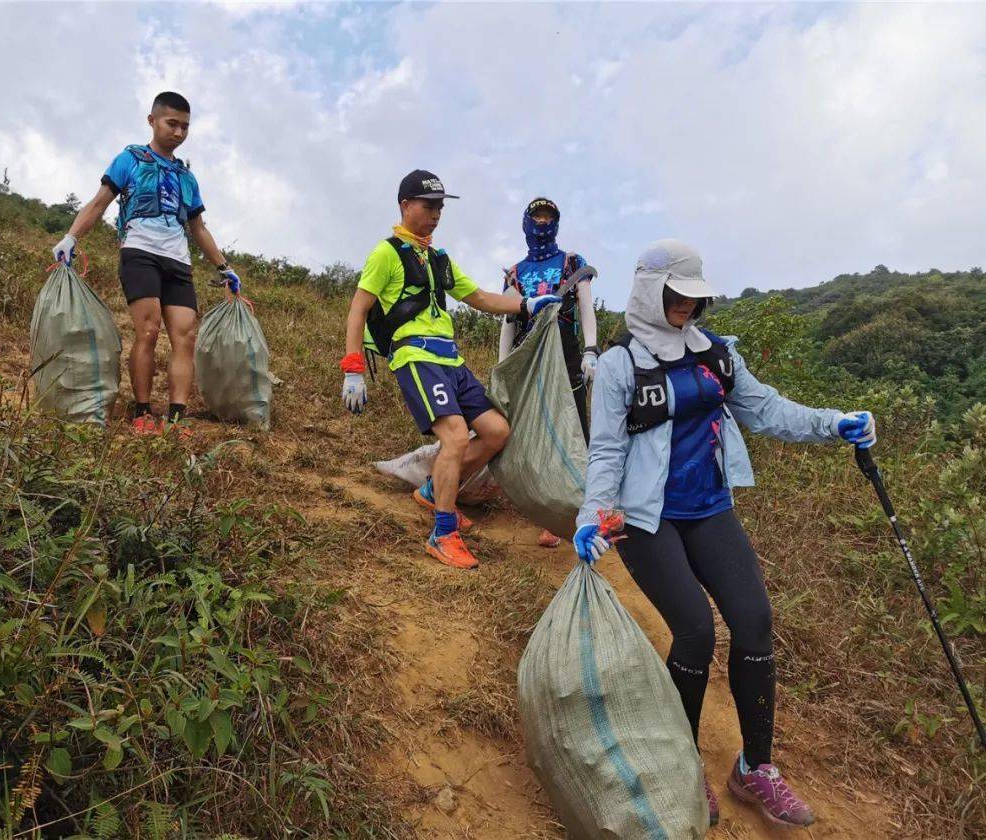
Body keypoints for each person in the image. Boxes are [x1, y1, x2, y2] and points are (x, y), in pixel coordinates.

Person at [573, 239, 877, 829]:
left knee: (755, 620)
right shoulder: (619, 365)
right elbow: (606, 450)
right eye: (677, 297)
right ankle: (683, 766)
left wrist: (833, 424)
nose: (687, 308)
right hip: (647, 518)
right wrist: (591, 516)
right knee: (693, 630)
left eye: (694, 298)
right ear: (649, 291)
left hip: (710, 506)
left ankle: (755, 768)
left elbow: (765, 408)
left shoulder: (716, 354)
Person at [341, 169, 560, 570]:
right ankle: (443, 532)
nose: (436, 214)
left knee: (496, 431)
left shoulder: (438, 258)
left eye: (440, 206)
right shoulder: (386, 253)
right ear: (405, 205)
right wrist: (353, 367)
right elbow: (359, 307)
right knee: (455, 436)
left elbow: (477, 297)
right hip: (415, 356)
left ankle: (432, 489)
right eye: (428, 205)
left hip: (451, 359)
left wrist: (528, 304)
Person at [52, 91, 240, 437]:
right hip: (139, 252)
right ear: (152, 120)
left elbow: (198, 228)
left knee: (185, 336)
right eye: (172, 124)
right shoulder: (130, 159)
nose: (179, 133)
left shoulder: (187, 178)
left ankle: (177, 416)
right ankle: (142, 411)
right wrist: (71, 237)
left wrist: (223, 266)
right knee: (149, 330)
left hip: (178, 261)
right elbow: (99, 203)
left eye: (185, 127)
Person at [499, 197, 599, 548]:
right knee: (537, 430)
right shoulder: (516, 272)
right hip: (529, 361)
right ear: (526, 222)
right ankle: (549, 515)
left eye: (548, 217)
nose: (543, 222)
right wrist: (502, 369)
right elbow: (509, 321)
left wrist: (590, 350)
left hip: (568, 356)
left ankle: (586, 512)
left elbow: (587, 309)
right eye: (537, 216)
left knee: (575, 428)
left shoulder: (572, 263)